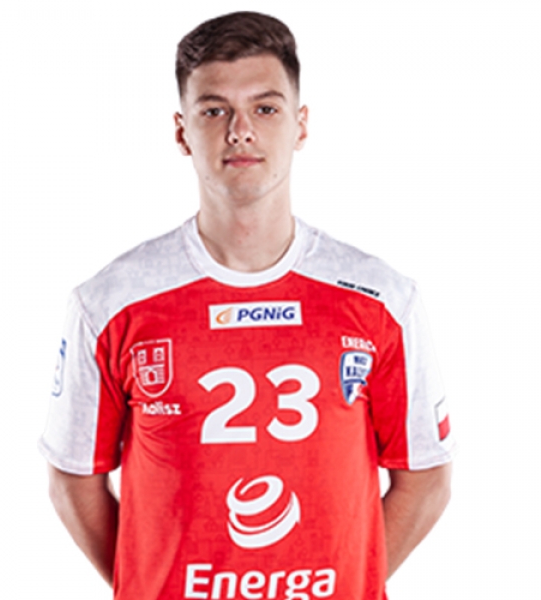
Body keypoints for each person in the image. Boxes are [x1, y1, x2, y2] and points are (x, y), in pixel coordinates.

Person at [39, 11, 455, 600]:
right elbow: (72, 480)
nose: (240, 131)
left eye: (265, 108)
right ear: (182, 131)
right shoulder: (109, 303)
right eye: (215, 111)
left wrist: (348, 582)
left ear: (300, 124)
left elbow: (427, 476)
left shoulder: (383, 299)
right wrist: (149, 585)